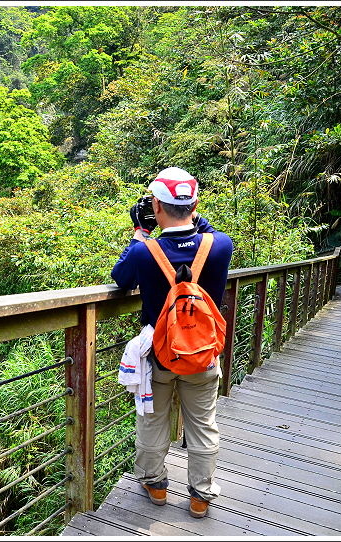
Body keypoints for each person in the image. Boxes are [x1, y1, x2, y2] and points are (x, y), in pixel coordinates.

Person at [111, 166, 233, 519]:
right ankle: (200, 496)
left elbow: (120, 278)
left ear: (155, 205)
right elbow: (204, 230)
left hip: (159, 356)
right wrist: (189, 212)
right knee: (204, 423)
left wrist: (141, 229)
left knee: (152, 420)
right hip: (203, 354)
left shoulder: (144, 251)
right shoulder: (220, 245)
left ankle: (156, 485)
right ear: (195, 205)